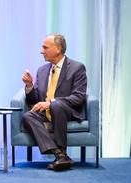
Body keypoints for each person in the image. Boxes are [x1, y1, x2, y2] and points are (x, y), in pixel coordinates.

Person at [21, 34, 87, 171]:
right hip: (46, 112)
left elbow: (78, 97)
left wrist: (51, 102)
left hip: (67, 111)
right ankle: (59, 154)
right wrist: (29, 86)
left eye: (45, 47)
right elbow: (34, 100)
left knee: (56, 105)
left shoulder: (77, 67)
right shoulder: (42, 70)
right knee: (28, 115)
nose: (41, 51)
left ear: (58, 49)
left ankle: (61, 153)